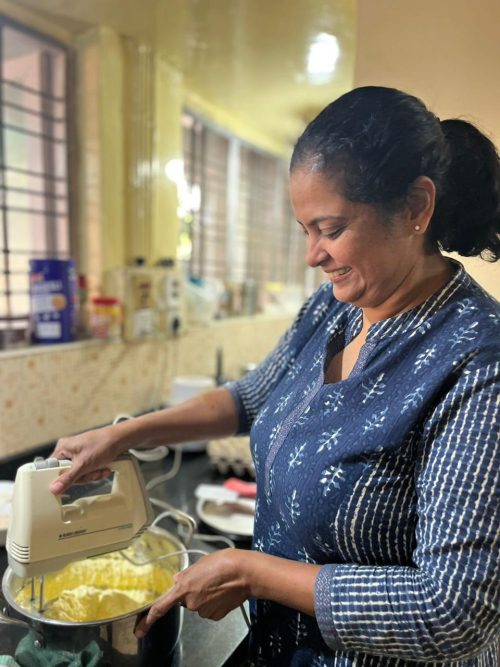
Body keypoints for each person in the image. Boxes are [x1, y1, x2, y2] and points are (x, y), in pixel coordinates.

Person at [50, 86, 500, 666]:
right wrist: (123, 435)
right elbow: (251, 398)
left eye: (331, 229)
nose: (313, 254)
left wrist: (254, 573)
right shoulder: (336, 307)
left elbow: (451, 613)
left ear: (416, 207)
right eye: (304, 229)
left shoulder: (478, 362)